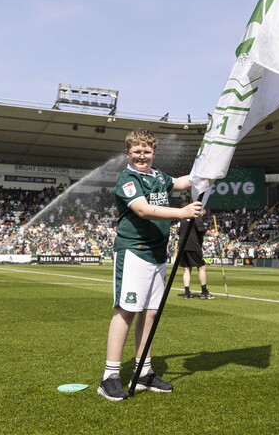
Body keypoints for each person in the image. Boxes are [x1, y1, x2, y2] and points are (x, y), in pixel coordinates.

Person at [98, 129, 203, 402]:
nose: (141, 156)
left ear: (154, 153)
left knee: (151, 313)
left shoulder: (157, 176)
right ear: (128, 153)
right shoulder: (128, 178)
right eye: (136, 151)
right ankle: (109, 376)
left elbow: (179, 183)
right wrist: (181, 212)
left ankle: (143, 372)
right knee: (127, 311)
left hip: (158, 253)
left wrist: (204, 174)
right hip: (134, 251)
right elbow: (143, 209)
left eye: (146, 151)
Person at [178, 214, 218, 299]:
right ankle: (204, 292)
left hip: (182, 245)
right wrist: (213, 234)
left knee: (187, 268)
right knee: (201, 267)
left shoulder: (184, 216)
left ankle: (187, 293)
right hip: (193, 245)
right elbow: (201, 229)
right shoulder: (197, 216)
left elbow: (179, 231)